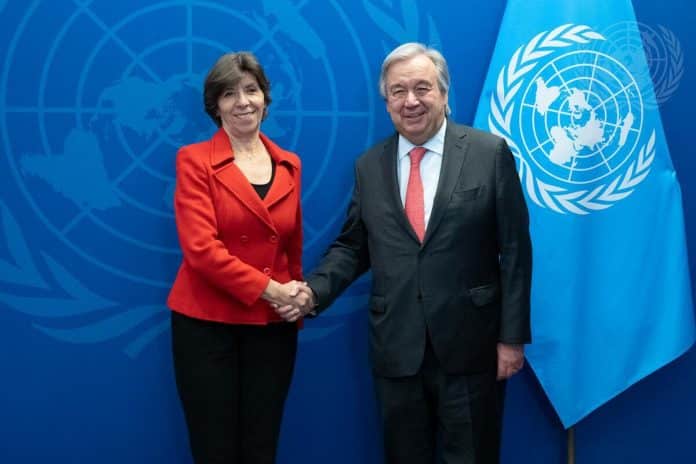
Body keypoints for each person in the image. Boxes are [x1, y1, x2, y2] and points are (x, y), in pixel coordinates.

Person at [277, 43, 532, 463]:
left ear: (444, 94)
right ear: (386, 101)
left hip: (471, 348)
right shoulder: (369, 166)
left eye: (422, 88)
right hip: (397, 348)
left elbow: (516, 251)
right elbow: (353, 246)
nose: (410, 101)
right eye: (398, 91)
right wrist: (312, 293)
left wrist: (512, 339)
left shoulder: (490, 154)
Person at [167, 51, 313, 464]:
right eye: (229, 94)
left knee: (261, 444)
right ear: (215, 105)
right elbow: (201, 250)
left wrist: (297, 300)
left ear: (266, 97)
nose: (243, 101)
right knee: (215, 449)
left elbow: (290, 245)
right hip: (206, 327)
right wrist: (273, 292)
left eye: (251, 90)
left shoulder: (290, 163)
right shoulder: (194, 160)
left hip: (271, 329)